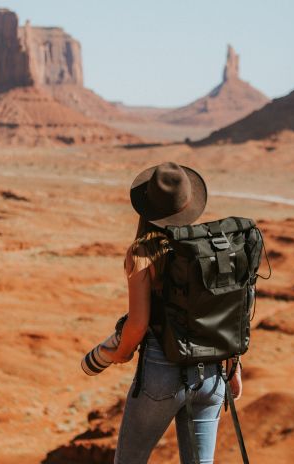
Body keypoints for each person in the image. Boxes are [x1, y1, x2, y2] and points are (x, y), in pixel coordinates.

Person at [103, 162, 242, 464]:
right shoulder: (210, 249)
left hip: (161, 373)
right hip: (213, 375)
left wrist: (119, 353)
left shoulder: (142, 253)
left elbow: (138, 324)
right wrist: (232, 366)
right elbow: (226, 312)